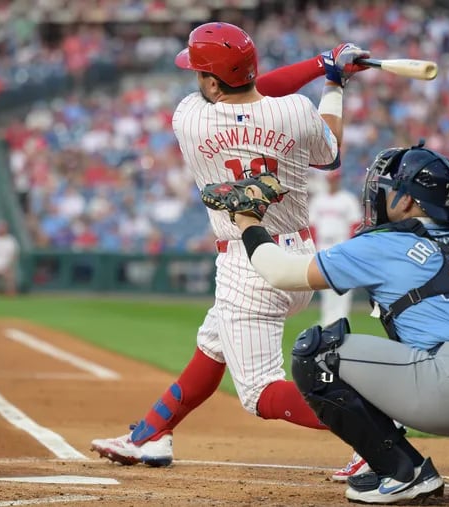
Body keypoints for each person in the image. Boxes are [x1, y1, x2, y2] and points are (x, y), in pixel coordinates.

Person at [209, 142, 449, 505]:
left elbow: (280, 272)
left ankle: (402, 471)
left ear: (407, 201)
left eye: (387, 190)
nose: (378, 196)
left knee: (316, 353)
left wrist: (248, 221)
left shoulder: (384, 244)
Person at [90, 22, 370, 466]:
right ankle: (150, 435)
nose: (195, 79)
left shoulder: (190, 117)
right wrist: (332, 79)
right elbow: (329, 154)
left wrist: (320, 64)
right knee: (212, 345)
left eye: (201, 73)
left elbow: (250, 89)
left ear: (213, 83)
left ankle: (373, 436)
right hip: (299, 258)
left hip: (247, 261)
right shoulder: (296, 111)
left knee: (259, 391)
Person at [308, 170, 362, 326]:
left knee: (343, 284)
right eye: (331, 179)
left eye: (335, 179)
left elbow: (355, 224)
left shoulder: (348, 199)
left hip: (341, 244)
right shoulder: (319, 200)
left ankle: (342, 319)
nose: (333, 182)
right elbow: (312, 225)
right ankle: (327, 320)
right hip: (323, 244)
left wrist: (350, 246)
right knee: (325, 284)